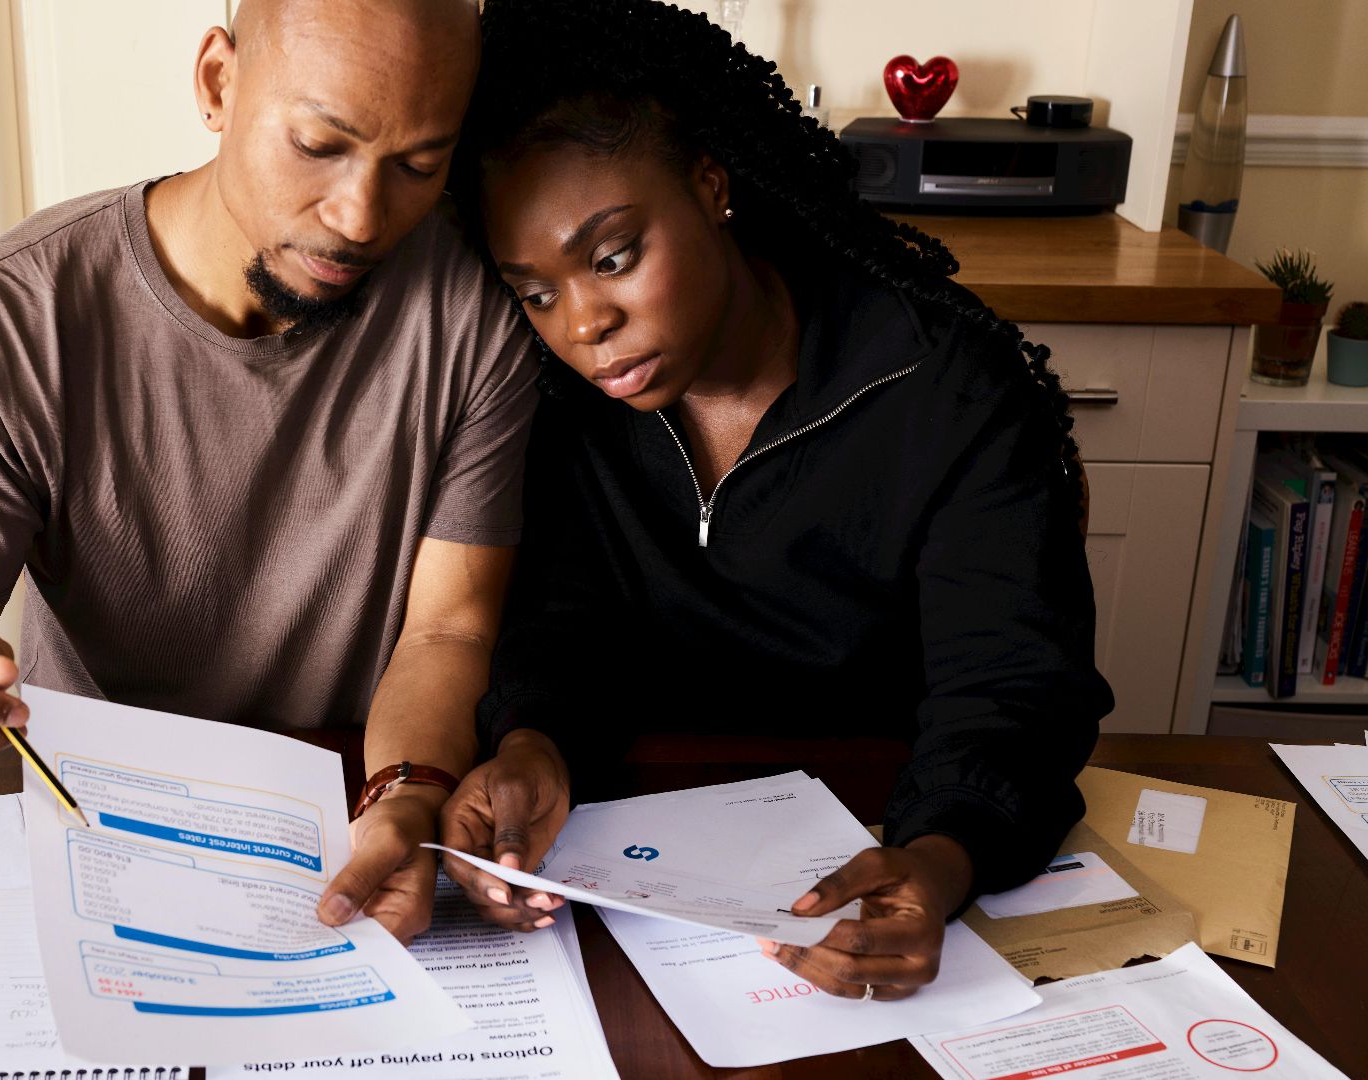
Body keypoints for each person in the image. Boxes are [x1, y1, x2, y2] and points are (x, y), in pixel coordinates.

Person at [433, 0, 1115, 999]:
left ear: (711, 185)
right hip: (627, 883)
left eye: (614, 256)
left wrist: (937, 861)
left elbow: (1012, 685)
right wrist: (533, 743)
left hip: (882, 843)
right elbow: (563, 622)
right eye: (535, 291)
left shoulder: (944, 390)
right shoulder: (557, 406)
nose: (585, 324)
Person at [0, 0, 531, 944]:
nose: (360, 218)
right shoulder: (10, 318)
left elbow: (448, 631)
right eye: (318, 145)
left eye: (418, 165)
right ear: (217, 82)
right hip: (89, 827)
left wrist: (406, 798)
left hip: (343, 810)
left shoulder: (472, 317)